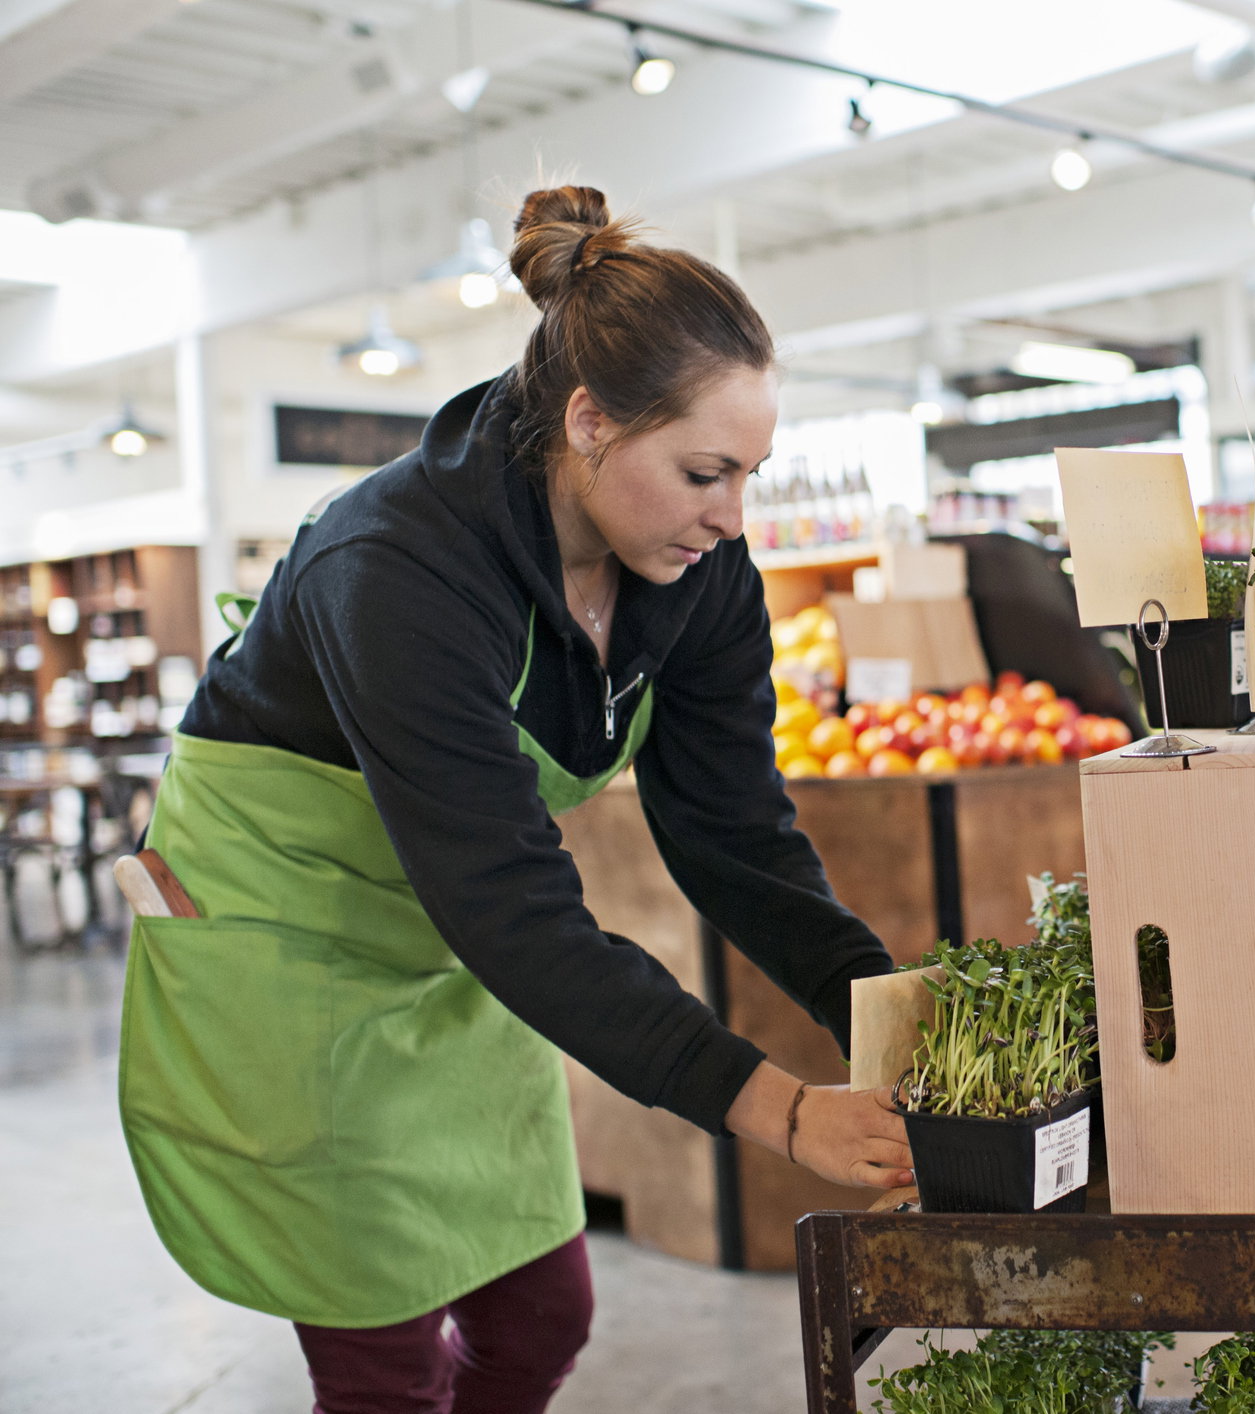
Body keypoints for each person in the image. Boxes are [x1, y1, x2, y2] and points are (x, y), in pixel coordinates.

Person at [118, 185, 911, 1414]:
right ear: (590, 422)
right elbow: (513, 906)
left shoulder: (700, 571)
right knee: (383, 1369)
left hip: (445, 947)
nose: (734, 515)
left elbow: (733, 829)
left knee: (543, 1316)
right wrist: (782, 1110)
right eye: (706, 471)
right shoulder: (394, 569)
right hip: (287, 941)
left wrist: (887, 1012)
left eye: (751, 473)